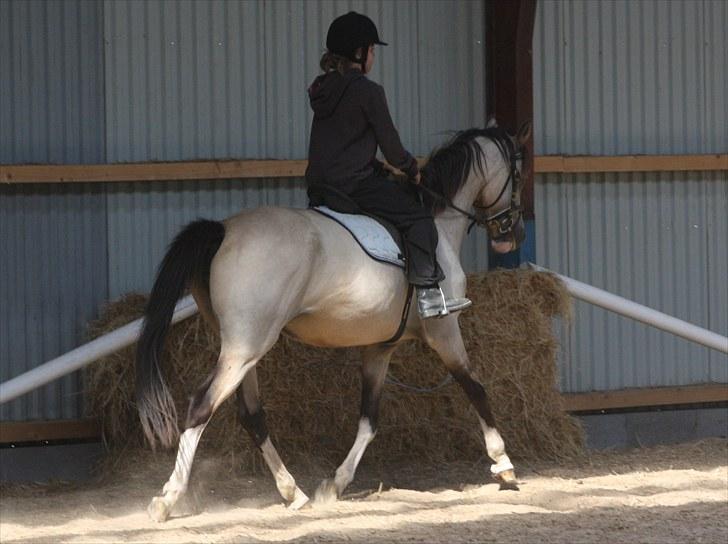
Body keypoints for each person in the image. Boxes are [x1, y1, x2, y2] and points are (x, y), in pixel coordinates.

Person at [305, 11, 471, 319]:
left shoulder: (323, 89)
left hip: (319, 187)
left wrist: (377, 167)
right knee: (419, 219)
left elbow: (342, 145)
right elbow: (393, 149)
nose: (373, 57)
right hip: (354, 187)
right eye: (372, 50)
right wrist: (411, 169)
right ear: (360, 53)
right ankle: (429, 295)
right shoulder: (368, 91)